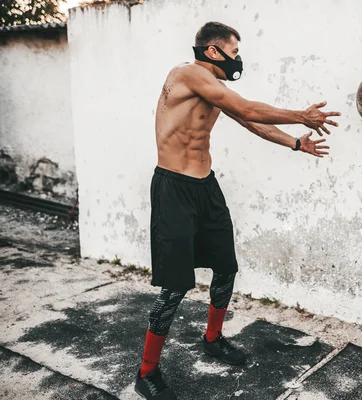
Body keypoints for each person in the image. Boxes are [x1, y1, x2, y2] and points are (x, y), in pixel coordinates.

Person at [134, 21, 341, 399]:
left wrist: (296, 143)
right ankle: (146, 372)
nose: (238, 59)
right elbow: (247, 107)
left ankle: (213, 338)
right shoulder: (187, 74)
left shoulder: (215, 89)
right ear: (213, 51)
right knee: (175, 286)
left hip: (205, 187)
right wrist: (301, 115)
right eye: (234, 52)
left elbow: (250, 121)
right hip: (174, 189)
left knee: (226, 268)